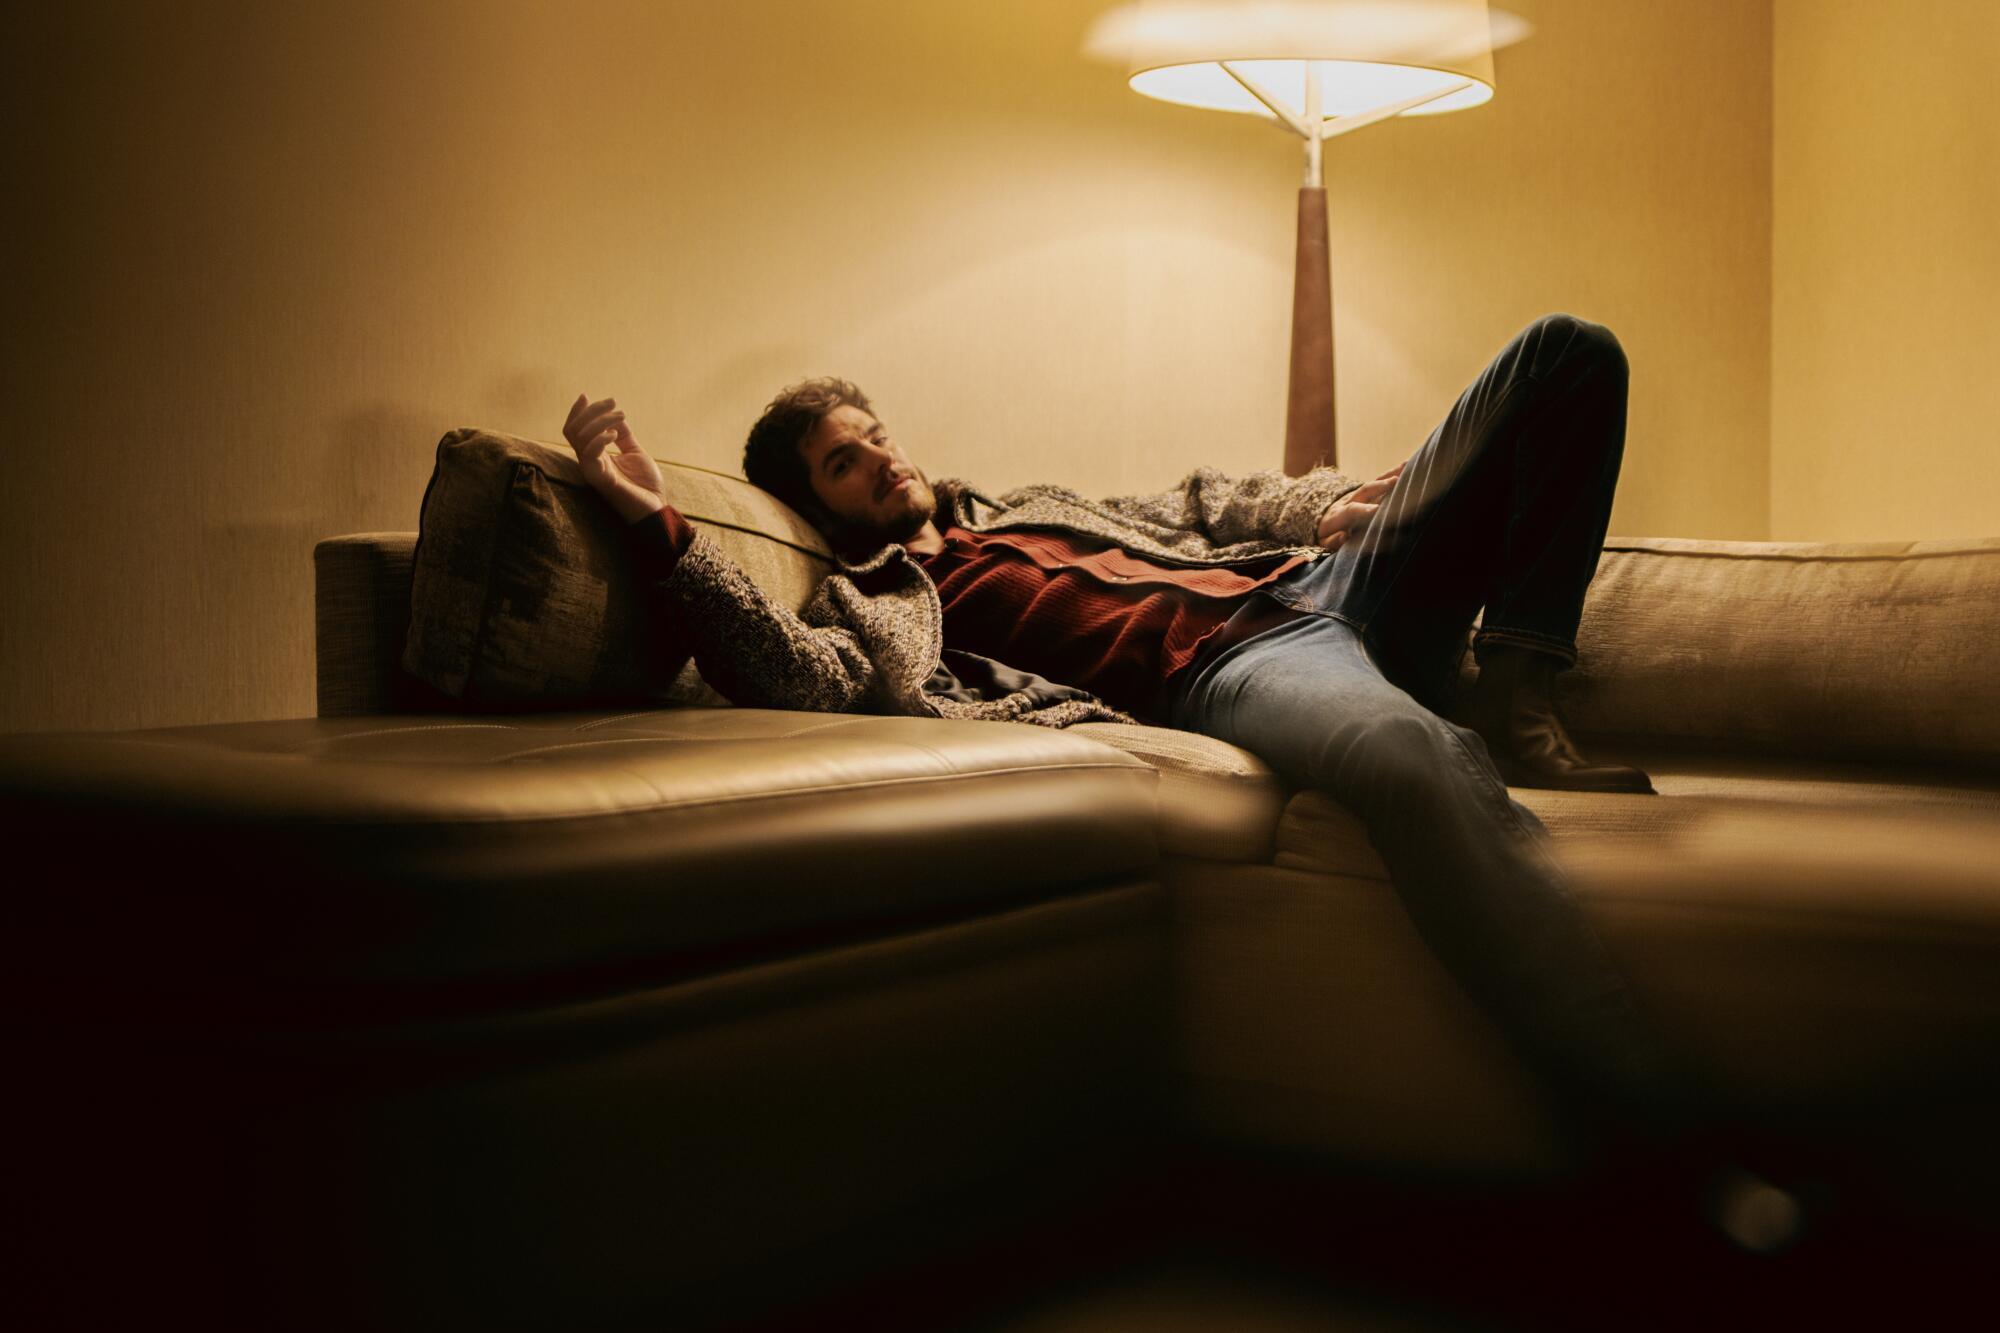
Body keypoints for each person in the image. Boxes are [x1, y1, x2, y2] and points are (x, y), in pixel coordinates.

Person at [561, 313, 1684, 1139]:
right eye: (841, 464)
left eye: (874, 436)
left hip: (1331, 581)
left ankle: (1519, 687)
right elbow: (791, 669)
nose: (878, 460)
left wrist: (1326, 507)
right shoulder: (882, 603)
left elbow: (1198, 500)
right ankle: (1650, 1124)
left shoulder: (1025, 504)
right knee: (1405, 753)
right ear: (818, 505)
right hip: (1246, 663)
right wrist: (653, 520)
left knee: (1564, 355)